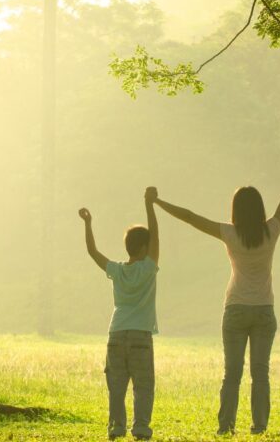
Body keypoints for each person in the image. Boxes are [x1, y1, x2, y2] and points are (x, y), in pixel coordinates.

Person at [151, 144, 280, 435]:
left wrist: (159, 202)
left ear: (235, 210)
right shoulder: (271, 230)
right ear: (260, 209)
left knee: (231, 373)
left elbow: (191, 217)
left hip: (234, 309)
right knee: (260, 373)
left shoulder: (229, 233)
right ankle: (259, 426)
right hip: (263, 310)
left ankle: (226, 427)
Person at [78, 186, 160, 441]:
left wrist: (88, 223)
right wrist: (150, 204)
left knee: (116, 387)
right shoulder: (148, 268)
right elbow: (156, 234)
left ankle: (116, 428)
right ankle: (141, 430)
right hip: (140, 336)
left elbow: (93, 252)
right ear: (146, 246)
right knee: (143, 386)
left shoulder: (116, 270)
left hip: (116, 333)